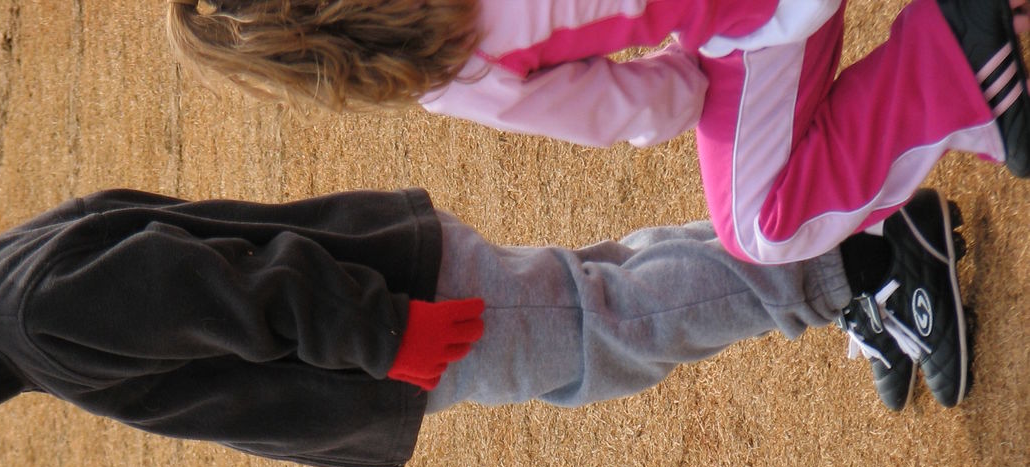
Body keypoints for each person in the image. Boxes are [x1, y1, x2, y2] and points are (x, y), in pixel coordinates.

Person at [0, 185, 968, 467]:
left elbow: (224, 284)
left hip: (399, 321)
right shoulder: (1, 292)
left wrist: (387, 338)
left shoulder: (34, 318)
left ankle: (864, 263)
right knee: (605, 297)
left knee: (605, 334)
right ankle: (841, 250)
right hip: (390, 310)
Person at [166, 0, 1030, 266]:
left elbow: (654, 105)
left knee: (763, 224)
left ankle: (959, 60)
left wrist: (686, 51)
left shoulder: (456, 68)